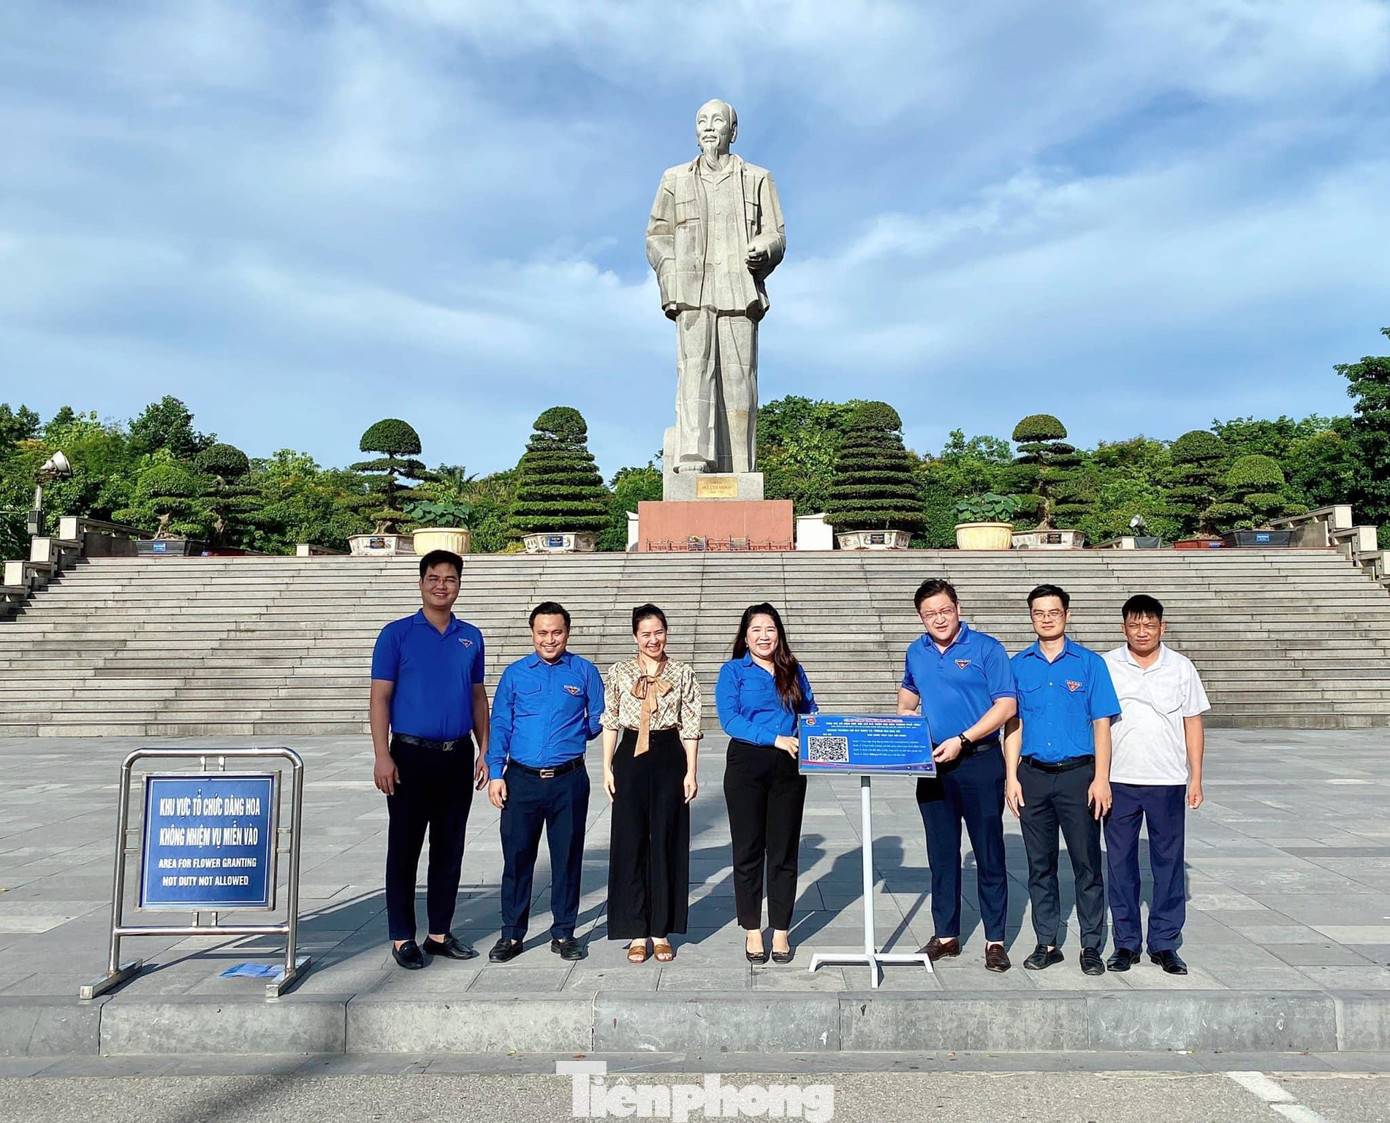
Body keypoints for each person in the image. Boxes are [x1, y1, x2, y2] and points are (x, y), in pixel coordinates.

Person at [645, 98, 786, 474]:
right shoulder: (674, 178)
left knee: (740, 381)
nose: (709, 126)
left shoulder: (758, 178)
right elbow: (657, 236)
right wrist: (673, 277)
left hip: (739, 290)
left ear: (733, 131)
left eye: (718, 120)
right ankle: (693, 457)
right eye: (702, 121)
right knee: (694, 373)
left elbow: (776, 235)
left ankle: (741, 465)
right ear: (695, 132)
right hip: (692, 291)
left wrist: (764, 249)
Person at [369, 549, 489, 970]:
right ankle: (403, 936)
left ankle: (439, 932)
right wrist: (382, 755)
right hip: (408, 757)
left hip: (455, 757)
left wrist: (485, 749)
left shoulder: (470, 637)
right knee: (404, 849)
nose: (442, 585)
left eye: (450, 579)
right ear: (421, 583)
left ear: (459, 585)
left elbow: (477, 697)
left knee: (449, 848)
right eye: (434, 578)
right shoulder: (396, 634)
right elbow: (380, 698)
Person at [898, 578, 1017, 973]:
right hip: (933, 766)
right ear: (920, 617)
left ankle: (995, 939)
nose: (939, 619)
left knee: (988, 852)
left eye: (944, 610)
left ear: (958, 608)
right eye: (930, 614)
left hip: (979, 761)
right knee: (942, 853)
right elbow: (909, 692)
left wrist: (963, 740)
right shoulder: (916, 651)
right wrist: (905, 716)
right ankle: (946, 935)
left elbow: (1005, 706)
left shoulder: (987, 648)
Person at [1004, 584, 1120, 976]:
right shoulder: (1018, 665)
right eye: (1039, 612)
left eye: (1054, 611)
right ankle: (1047, 942)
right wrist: (1011, 777)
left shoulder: (1090, 664)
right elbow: (1013, 726)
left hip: (1078, 777)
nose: (1047, 618)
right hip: (1033, 777)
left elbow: (1101, 724)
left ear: (1067, 615)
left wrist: (1101, 778)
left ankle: (1090, 945)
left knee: (1087, 864)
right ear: (1031, 617)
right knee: (1040, 865)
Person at [486, 602, 604, 963]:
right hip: (521, 780)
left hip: (568, 781)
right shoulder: (516, 674)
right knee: (518, 858)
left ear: (567, 633)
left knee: (567, 858)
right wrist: (495, 773)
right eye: (542, 633)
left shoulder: (584, 671)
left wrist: (572, 739)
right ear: (532, 634)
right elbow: (501, 725)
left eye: (556, 632)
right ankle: (512, 934)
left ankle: (564, 931)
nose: (549, 639)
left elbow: (598, 718)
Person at [1103, 594, 1210, 976]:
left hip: (1166, 781)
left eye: (1150, 624)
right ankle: (1126, 943)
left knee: (1168, 864)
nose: (1142, 631)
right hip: (1118, 780)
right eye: (1135, 624)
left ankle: (1164, 943)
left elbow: (1192, 723)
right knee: (1120, 864)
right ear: (1124, 628)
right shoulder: (1107, 666)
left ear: (1162, 628)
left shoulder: (1181, 668)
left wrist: (1195, 777)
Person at [601, 604, 703, 964]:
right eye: (645, 633)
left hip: (668, 754)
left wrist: (691, 771)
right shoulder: (618, 672)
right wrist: (606, 767)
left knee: (666, 840)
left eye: (658, 632)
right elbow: (610, 720)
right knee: (630, 842)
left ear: (666, 632)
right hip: (630, 754)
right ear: (635, 636)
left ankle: (661, 930)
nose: (653, 639)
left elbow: (690, 725)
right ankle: (636, 931)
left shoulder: (682, 672)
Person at [715, 603, 816, 964]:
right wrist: (774, 739)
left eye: (770, 629)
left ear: (779, 633)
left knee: (784, 850)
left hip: (789, 767)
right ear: (745, 636)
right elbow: (730, 720)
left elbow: (810, 711)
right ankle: (752, 929)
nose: (763, 636)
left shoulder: (792, 669)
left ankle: (782, 929)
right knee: (748, 850)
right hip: (747, 764)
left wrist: (816, 736)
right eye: (756, 629)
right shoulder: (733, 671)